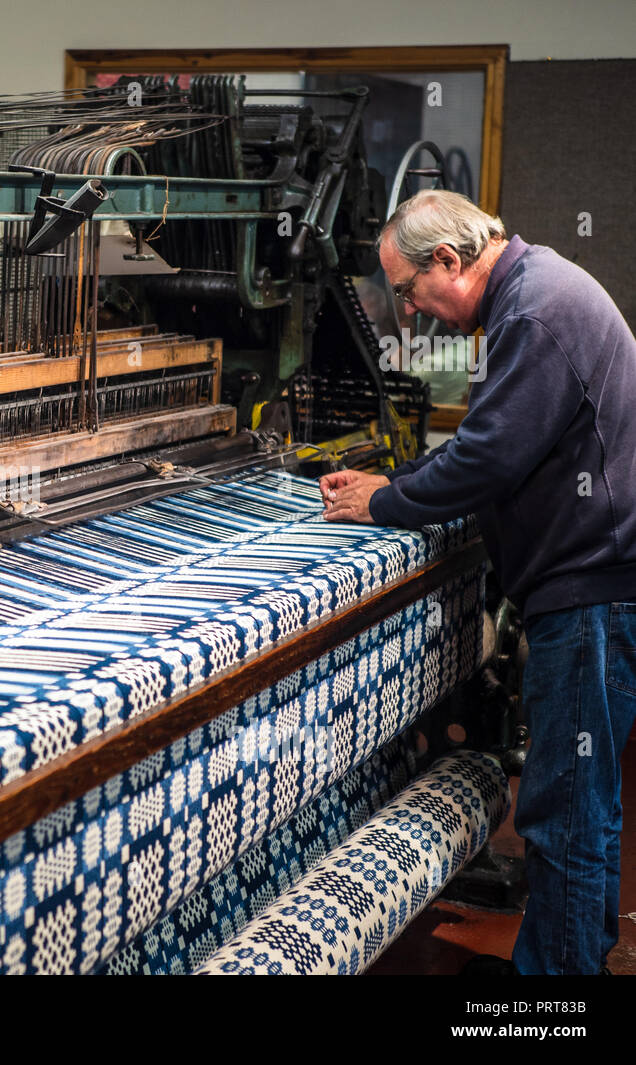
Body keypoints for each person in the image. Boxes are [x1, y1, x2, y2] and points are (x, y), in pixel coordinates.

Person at [319, 189, 636, 976]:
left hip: (591, 589)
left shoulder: (531, 313)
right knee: (582, 803)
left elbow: (490, 456)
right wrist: (397, 478)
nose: (414, 311)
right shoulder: (536, 292)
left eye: (408, 290)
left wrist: (384, 502)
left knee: (565, 810)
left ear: (450, 262)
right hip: (598, 581)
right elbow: (490, 439)